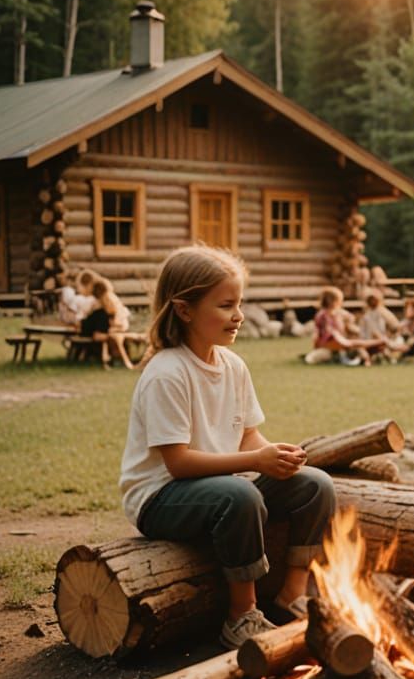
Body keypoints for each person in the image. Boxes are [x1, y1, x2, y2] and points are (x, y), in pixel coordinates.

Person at [119, 245, 337, 649]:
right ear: (184, 310)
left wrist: (276, 457)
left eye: (239, 303)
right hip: (161, 497)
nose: (238, 315)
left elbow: (247, 436)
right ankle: (242, 617)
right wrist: (256, 461)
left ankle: (293, 594)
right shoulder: (167, 373)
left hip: (220, 486)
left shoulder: (233, 366)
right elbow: (179, 463)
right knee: (240, 494)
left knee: (315, 485)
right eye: (225, 305)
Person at [312, 286, 386, 365]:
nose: (341, 303)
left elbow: (350, 317)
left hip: (336, 340)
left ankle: (371, 350)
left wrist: (347, 321)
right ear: (333, 301)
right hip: (329, 342)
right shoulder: (324, 315)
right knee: (354, 343)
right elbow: (329, 333)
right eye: (340, 301)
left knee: (355, 340)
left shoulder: (335, 313)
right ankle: (375, 344)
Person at [81, 277, 134, 369]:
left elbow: (119, 321)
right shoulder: (101, 306)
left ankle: (114, 358)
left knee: (109, 334)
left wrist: (113, 329)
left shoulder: (108, 304)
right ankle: (116, 359)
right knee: (108, 333)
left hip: (105, 329)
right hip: (100, 328)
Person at [358, 289, 403, 361]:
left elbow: (395, 327)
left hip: (385, 340)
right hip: (369, 341)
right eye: (371, 299)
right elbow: (362, 331)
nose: (372, 301)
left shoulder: (384, 313)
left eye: (374, 299)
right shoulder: (366, 315)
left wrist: (386, 337)